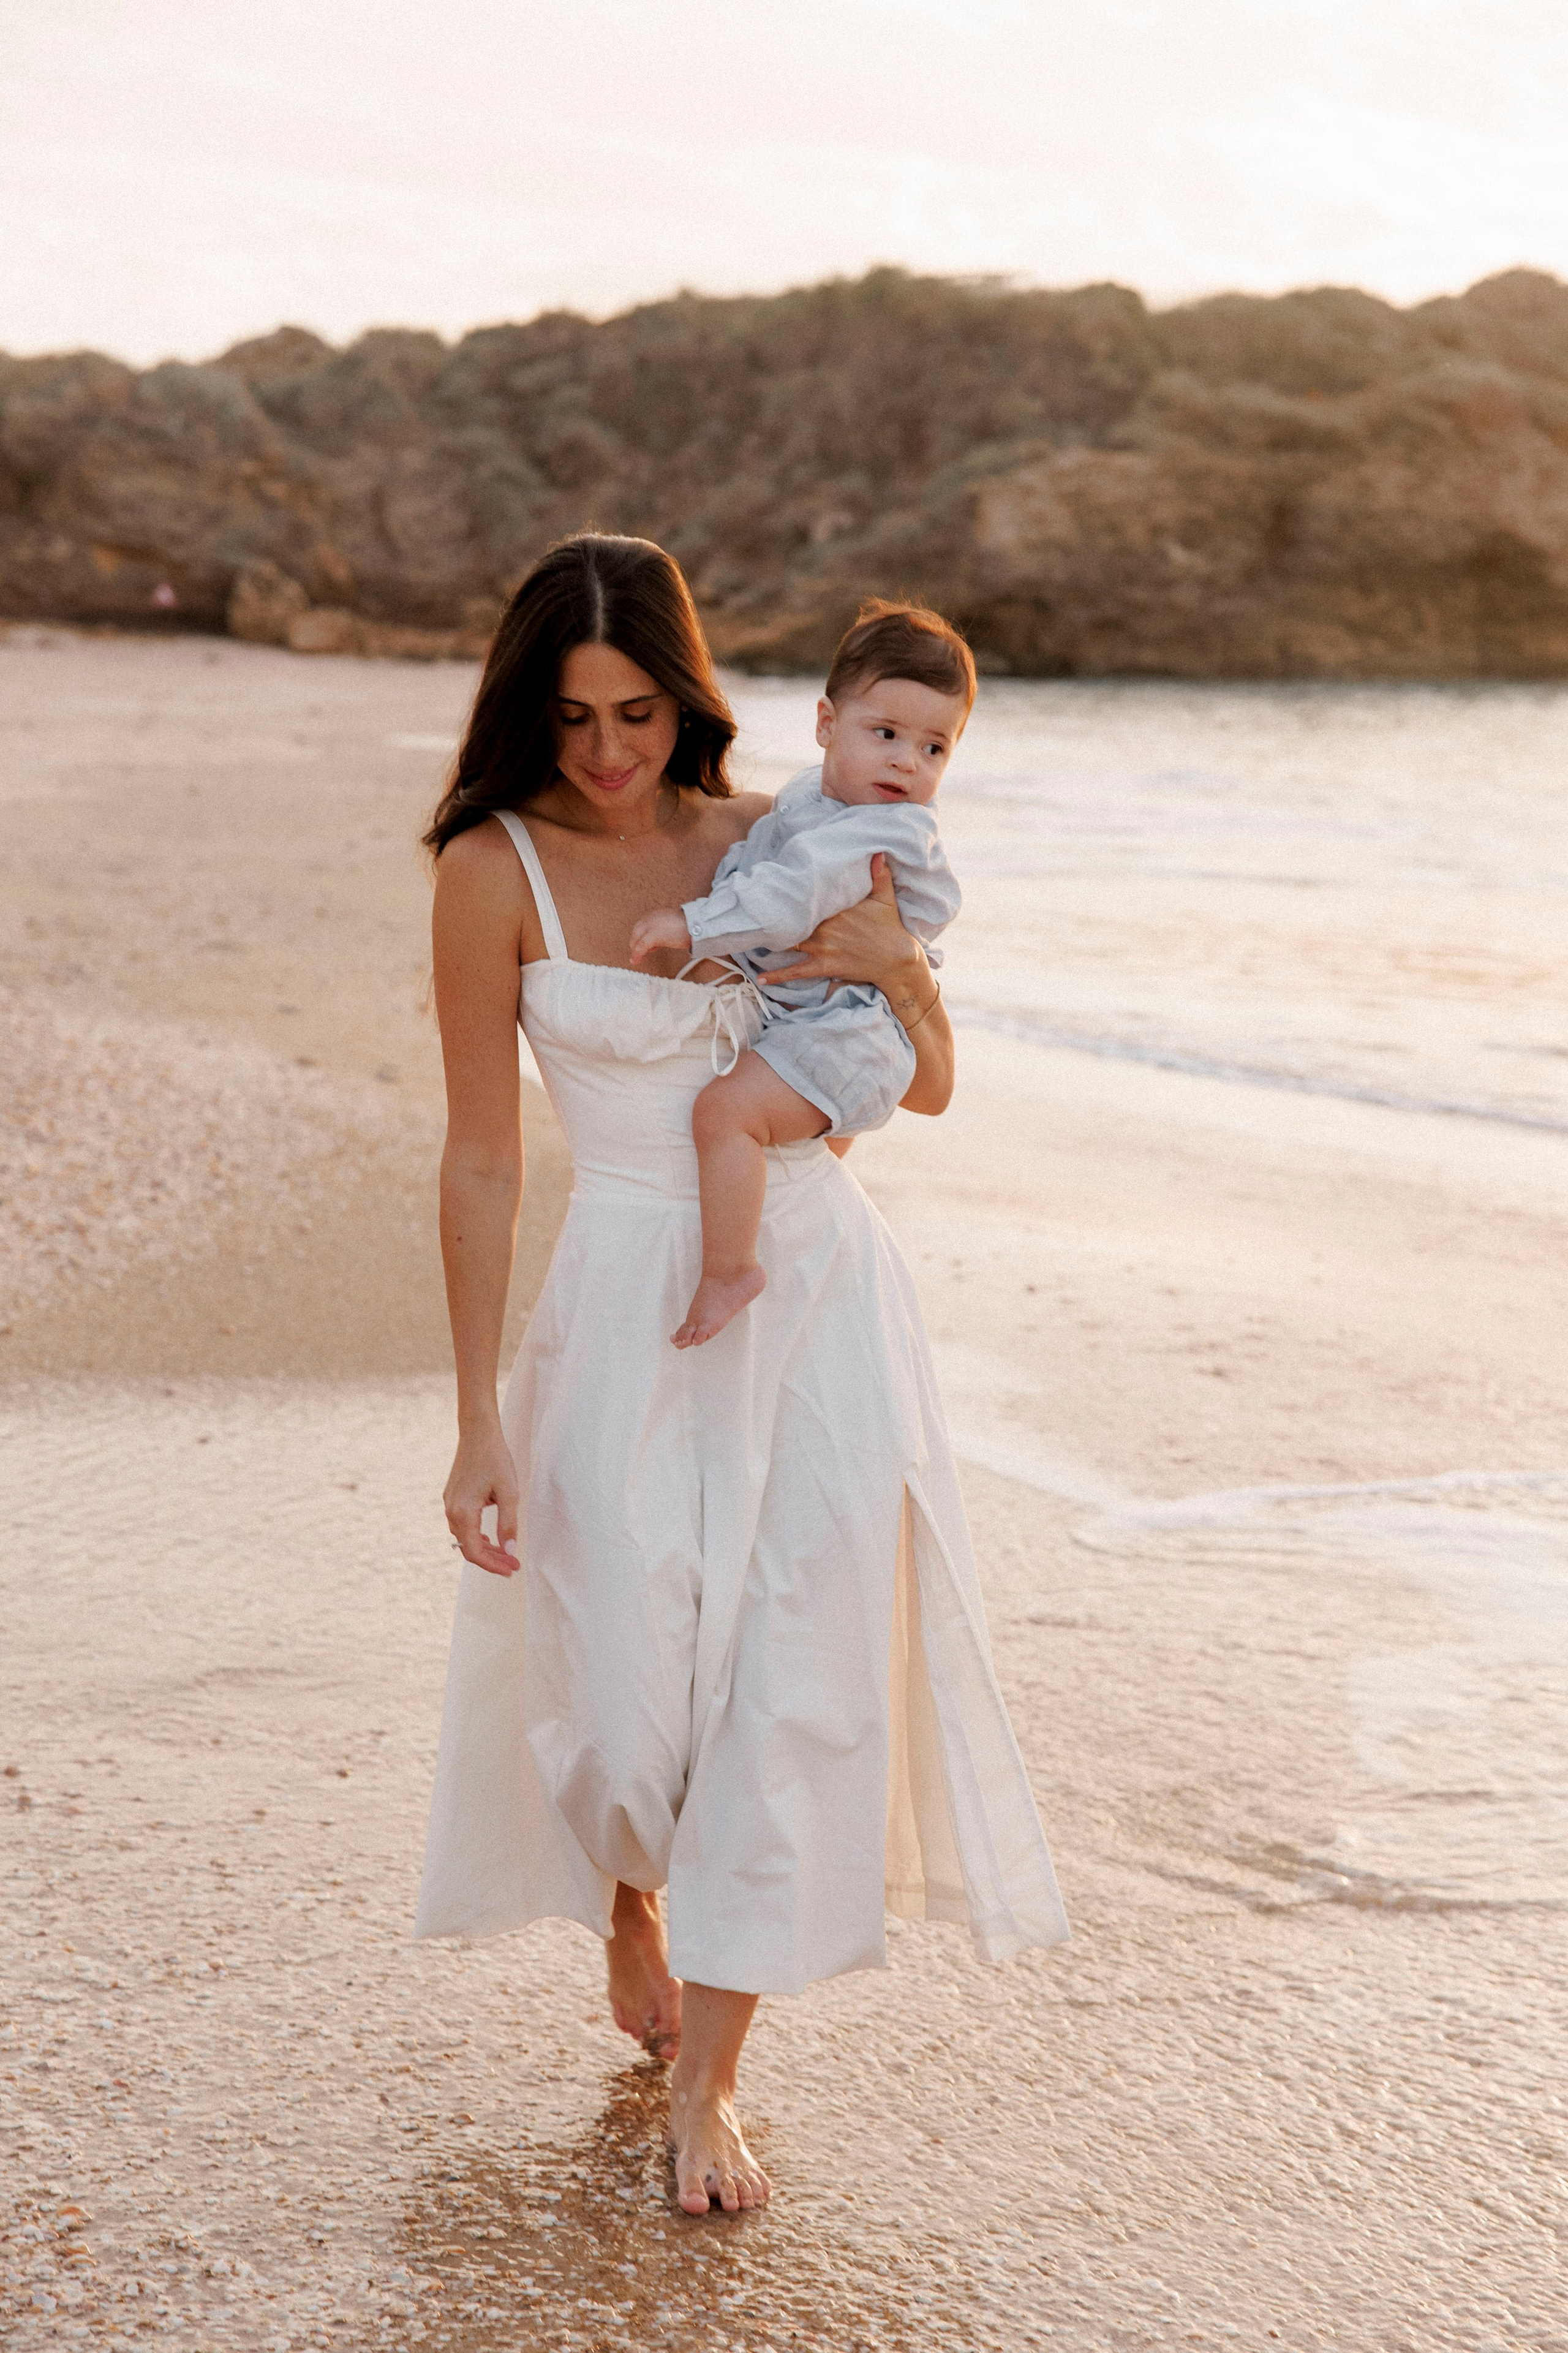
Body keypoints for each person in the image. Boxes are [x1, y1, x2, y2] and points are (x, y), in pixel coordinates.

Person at [414, 533, 1069, 2219]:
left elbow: (921, 1083)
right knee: (625, 1710)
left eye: (637, 712)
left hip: (816, 1294)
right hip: (620, 1302)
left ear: (686, 698)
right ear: (527, 711)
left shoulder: (783, 832)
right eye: (573, 717)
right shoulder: (493, 867)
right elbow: (482, 1155)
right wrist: (476, 1417)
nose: (609, 750)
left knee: (790, 1683)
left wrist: (901, 971)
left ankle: (708, 2079)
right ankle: (631, 1897)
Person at [628, 602, 968, 1350]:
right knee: (803, 1187)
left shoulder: (879, 828)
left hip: (849, 1034)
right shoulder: (812, 802)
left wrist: (692, 923)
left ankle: (730, 1271)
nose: (907, 762)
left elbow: (787, 897)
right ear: (825, 724)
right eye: (886, 734)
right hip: (822, 1022)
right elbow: (760, 866)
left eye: (934, 747)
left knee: (725, 1114)